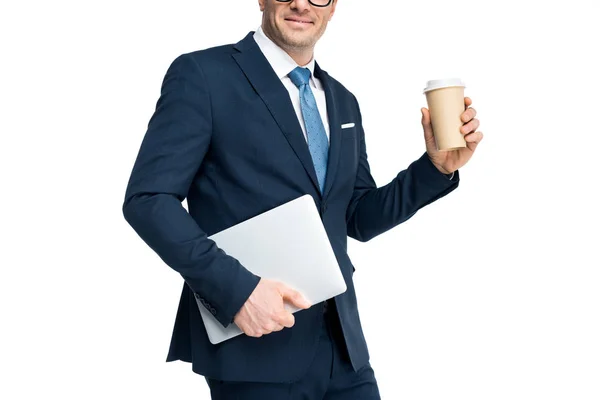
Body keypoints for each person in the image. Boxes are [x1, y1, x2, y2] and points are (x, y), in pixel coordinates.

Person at [122, 0, 483, 398]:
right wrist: (236, 289)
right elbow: (149, 199)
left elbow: (356, 218)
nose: (301, 3)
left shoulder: (342, 100)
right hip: (254, 346)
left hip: (344, 350)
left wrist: (435, 169)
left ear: (333, 8)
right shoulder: (204, 75)